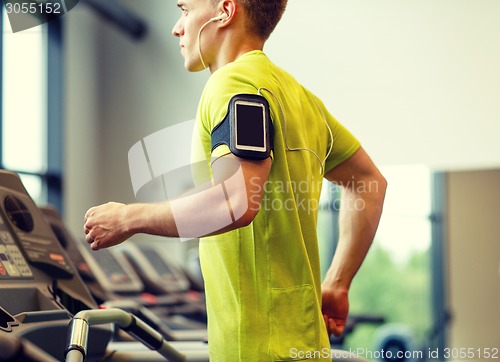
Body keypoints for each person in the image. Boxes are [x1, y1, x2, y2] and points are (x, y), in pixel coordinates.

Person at [83, 0, 387, 361]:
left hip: (257, 350)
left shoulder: (232, 82)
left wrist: (127, 219)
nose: (177, 28)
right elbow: (370, 183)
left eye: (184, 10)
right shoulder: (302, 100)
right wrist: (337, 283)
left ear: (225, 11)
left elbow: (235, 200)